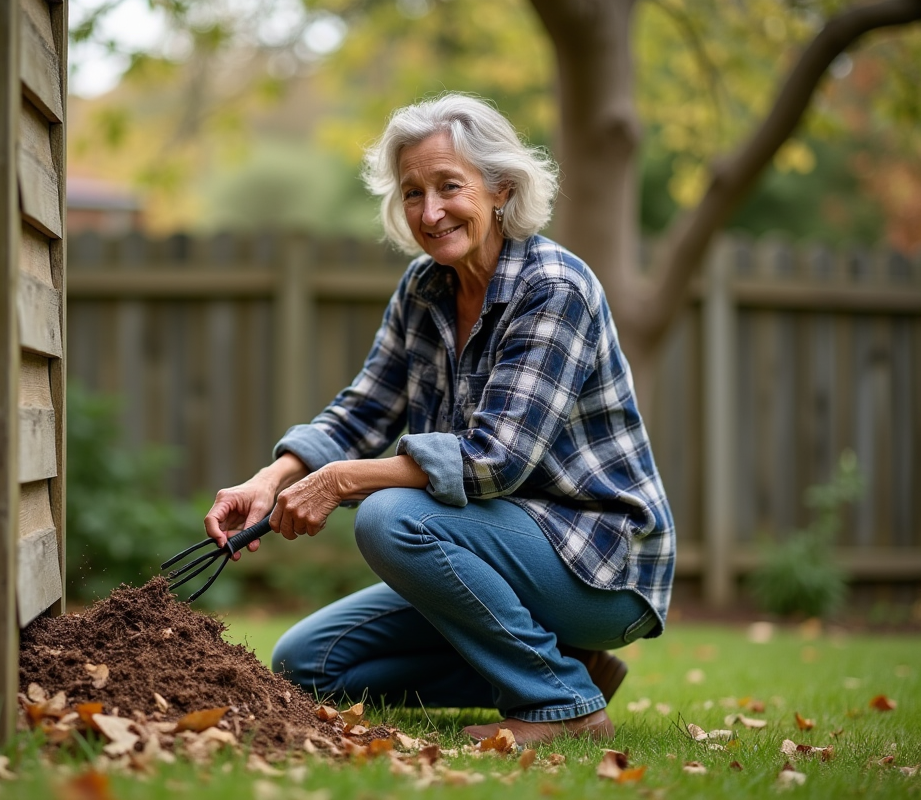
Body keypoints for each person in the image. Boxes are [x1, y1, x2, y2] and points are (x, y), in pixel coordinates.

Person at [202, 93, 675, 745]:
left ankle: (562, 704)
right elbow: (365, 409)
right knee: (307, 664)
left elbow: (492, 461)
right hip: (497, 553)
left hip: (597, 561)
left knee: (390, 516)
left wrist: (341, 482)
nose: (430, 211)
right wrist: (271, 479)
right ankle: (567, 670)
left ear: (501, 187)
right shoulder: (425, 289)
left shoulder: (553, 287)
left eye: (449, 186)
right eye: (413, 191)